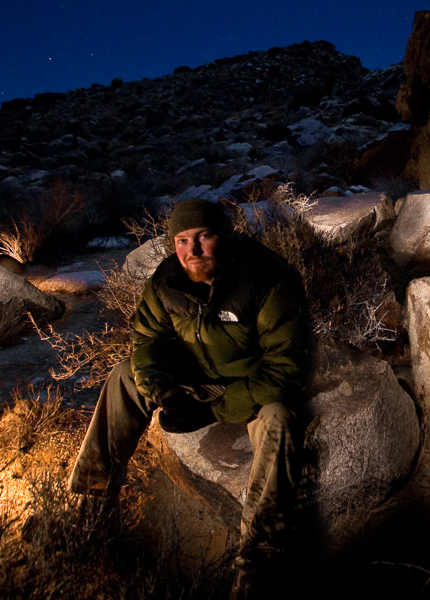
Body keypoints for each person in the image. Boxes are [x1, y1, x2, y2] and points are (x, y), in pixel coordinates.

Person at [68, 198, 310, 597]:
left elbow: (284, 369)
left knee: (280, 422)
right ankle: (92, 503)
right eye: (182, 240)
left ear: (224, 237)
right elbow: (146, 343)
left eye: (204, 237)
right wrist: (164, 391)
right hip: (194, 375)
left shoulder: (266, 280)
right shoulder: (167, 283)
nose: (192, 251)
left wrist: (212, 409)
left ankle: (258, 558)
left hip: (248, 383)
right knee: (122, 376)